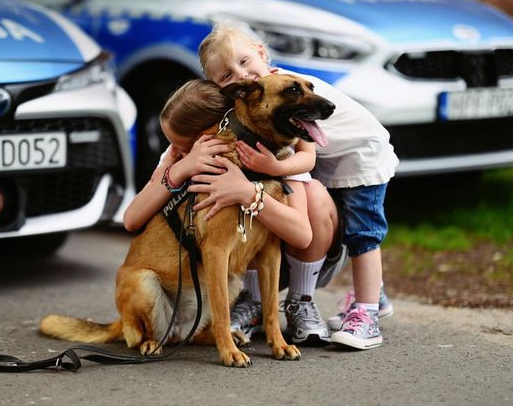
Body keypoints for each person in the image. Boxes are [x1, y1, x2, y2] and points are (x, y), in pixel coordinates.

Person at [198, 25, 398, 349]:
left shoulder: (287, 88)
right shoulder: (250, 98)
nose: (239, 75)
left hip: (361, 158)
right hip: (331, 166)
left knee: (364, 236)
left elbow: (307, 156)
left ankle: (367, 309)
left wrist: (273, 168)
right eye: (225, 76)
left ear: (262, 54)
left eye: (245, 62)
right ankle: (371, 292)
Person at [124, 78, 313, 263]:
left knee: (315, 193)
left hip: (276, 261)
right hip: (210, 270)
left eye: (182, 147)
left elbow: (302, 236)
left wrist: (248, 193)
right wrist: (178, 170)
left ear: (216, 132)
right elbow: (131, 219)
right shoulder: (180, 157)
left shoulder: (284, 152)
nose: (174, 153)